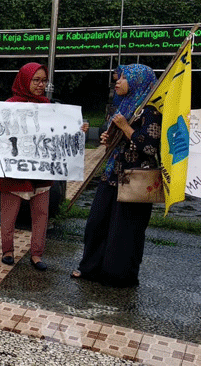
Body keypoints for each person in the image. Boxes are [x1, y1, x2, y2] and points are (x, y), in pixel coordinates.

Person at [0, 63, 88, 270]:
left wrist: (78, 130)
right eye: (36, 80)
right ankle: (7, 251)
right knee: (9, 215)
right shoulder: (8, 106)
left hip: (41, 174)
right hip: (13, 173)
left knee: (41, 214)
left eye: (44, 80)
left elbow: (62, 134)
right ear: (25, 80)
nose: (41, 85)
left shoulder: (50, 107)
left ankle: (37, 254)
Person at [72, 64, 159, 287]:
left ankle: (118, 276)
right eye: (117, 79)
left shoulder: (150, 111)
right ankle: (90, 268)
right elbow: (116, 139)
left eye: (122, 79)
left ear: (137, 81)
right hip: (111, 173)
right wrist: (108, 138)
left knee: (125, 228)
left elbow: (150, 148)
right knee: (97, 222)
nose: (117, 82)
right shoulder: (121, 106)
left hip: (135, 178)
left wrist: (125, 127)